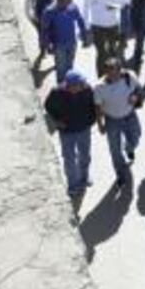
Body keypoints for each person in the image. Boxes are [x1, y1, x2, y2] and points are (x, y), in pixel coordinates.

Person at [44, 70, 96, 198]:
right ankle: (73, 185)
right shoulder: (56, 93)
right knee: (69, 160)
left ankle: (84, 178)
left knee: (85, 156)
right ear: (69, 86)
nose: (82, 86)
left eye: (82, 83)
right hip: (67, 132)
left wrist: (91, 120)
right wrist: (57, 121)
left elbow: (94, 106)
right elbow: (48, 106)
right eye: (78, 85)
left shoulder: (87, 90)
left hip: (84, 130)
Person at [94, 58, 143, 189]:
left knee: (136, 137)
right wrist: (100, 124)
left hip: (129, 116)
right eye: (109, 73)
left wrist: (135, 97)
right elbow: (98, 107)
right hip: (112, 120)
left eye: (115, 72)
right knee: (115, 150)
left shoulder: (129, 76)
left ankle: (129, 148)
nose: (113, 76)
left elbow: (138, 88)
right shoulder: (99, 87)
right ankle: (120, 174)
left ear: (120, 70)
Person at [40, 0, 88, 84]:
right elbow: (44, 30)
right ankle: (61, 89)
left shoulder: (72, 7)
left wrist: (84, 34)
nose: (71, 0)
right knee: (61, 69)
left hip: (72, 42)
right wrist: (46, 44)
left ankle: (69, 87)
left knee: (70, 67)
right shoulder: (49, 12)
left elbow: (80, 19)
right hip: (58, 45)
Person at [85, 0, 125, 77]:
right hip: (97, 26)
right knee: (101, 52)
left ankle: (115, 73)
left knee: (113, 50)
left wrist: (114, 6)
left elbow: (121, 4)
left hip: (112, 25)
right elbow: (86, 10)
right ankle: (101, 75)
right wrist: (87, 28)